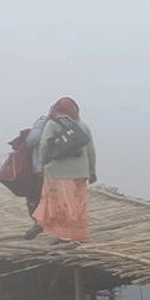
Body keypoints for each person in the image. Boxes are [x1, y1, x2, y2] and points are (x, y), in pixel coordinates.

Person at [33, 97, 97, 244]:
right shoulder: (83, 126)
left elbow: (43, 146)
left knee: (61, 205)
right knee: (78, 204)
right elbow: (91, 151)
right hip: (80, 173)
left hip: (58, 173)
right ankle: (77, 235)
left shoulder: (52, 124)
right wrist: (92, 170)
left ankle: (64, 237)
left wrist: (42, 163)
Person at [22, 113, 49, 239]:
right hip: (59, 169)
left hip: (40, 167)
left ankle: (39, 224)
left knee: (36, 196)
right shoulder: (71, 123)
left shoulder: (43, 122)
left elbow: (32, 141)